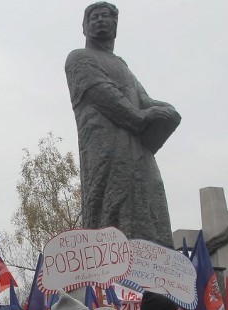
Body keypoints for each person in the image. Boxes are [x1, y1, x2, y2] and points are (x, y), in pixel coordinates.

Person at [65, 2, 180, 248]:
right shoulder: (79, 58)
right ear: (84, 27)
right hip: (106, 151)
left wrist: (166, 111)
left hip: (139, 153)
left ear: (115, 25)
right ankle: (112, 276)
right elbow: (103, 94)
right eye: (93, 17)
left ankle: (155, 267)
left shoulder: (122, 66)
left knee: (150, 205)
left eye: (105, 16)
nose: (99, 20)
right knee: (110, 207)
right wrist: (141, 118)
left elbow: (143, 99)